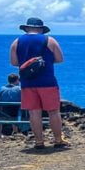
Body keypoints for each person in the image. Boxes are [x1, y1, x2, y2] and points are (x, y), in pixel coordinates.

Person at [9, 17, 67, 149]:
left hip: (27, 82)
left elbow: (14, 63)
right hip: (47, 81)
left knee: (34, 113)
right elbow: (59, 59)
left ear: (27, 28)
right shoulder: (49, 40)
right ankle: (58, 140)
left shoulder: (16, 42)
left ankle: (39, 142)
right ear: (41, 29)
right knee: (53, 111)